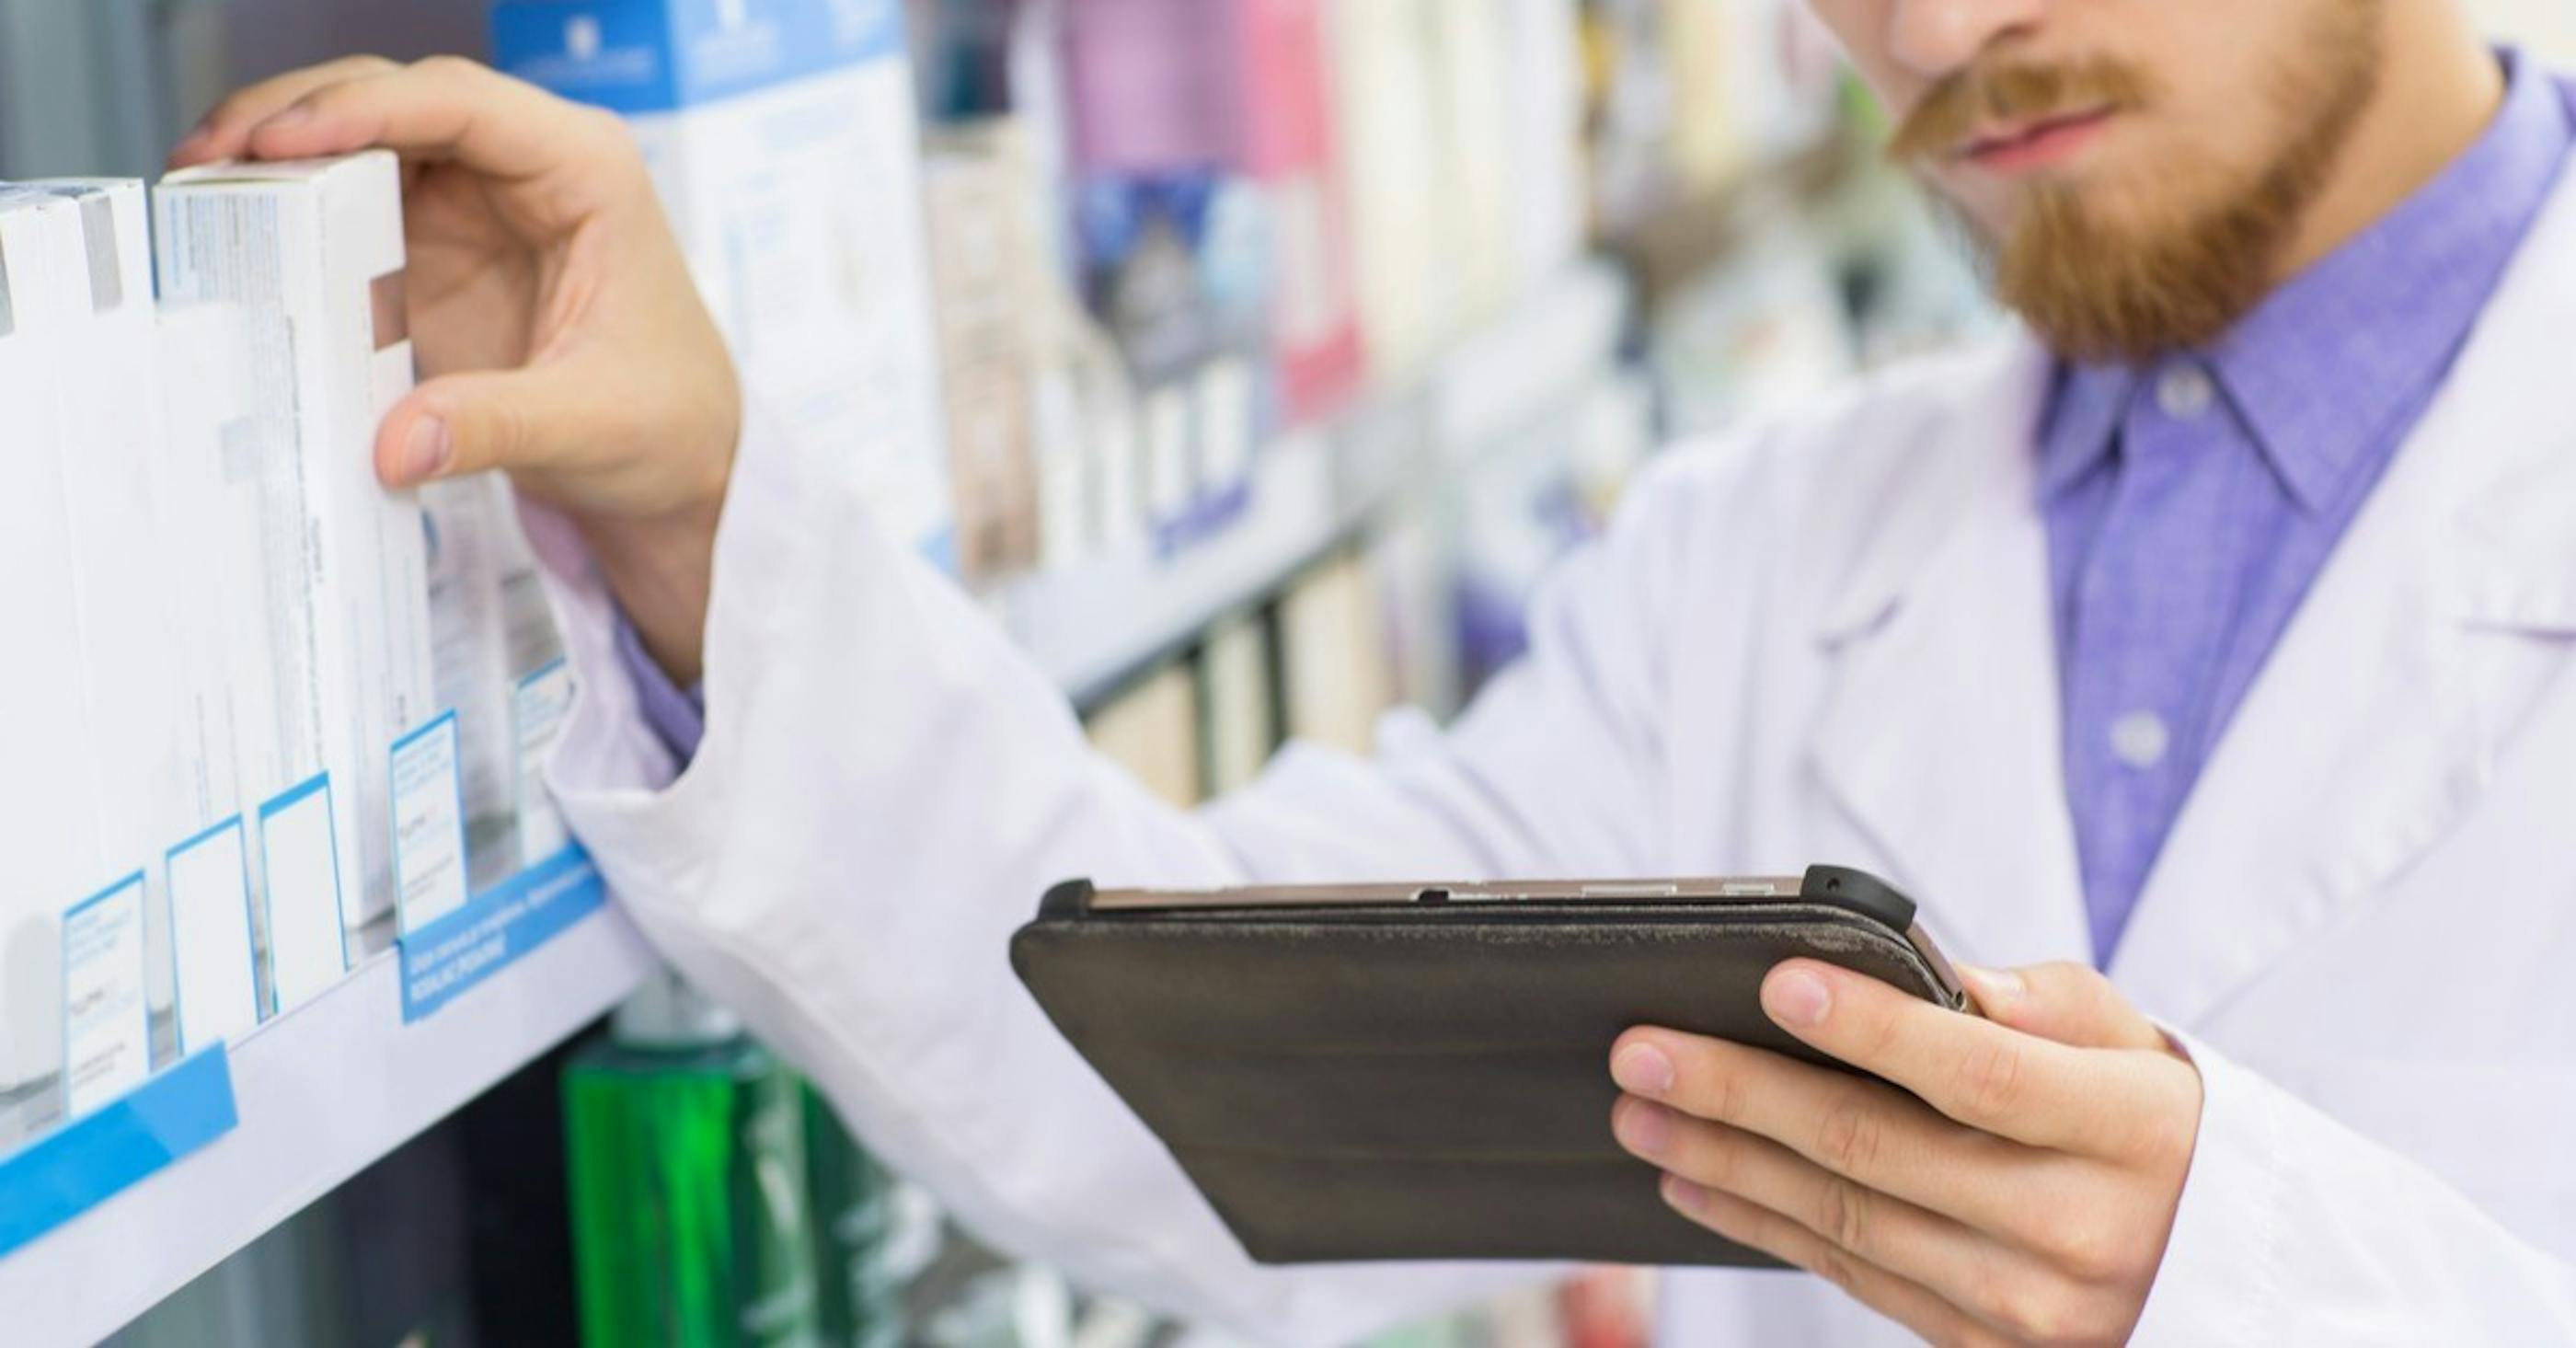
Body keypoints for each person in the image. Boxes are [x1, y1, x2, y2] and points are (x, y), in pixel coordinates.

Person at [176, 0, 2576, 1341]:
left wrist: (2248, 1279)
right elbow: (1203, 1080)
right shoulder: (1767, 563)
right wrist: (701, 511)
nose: (1940, 34)